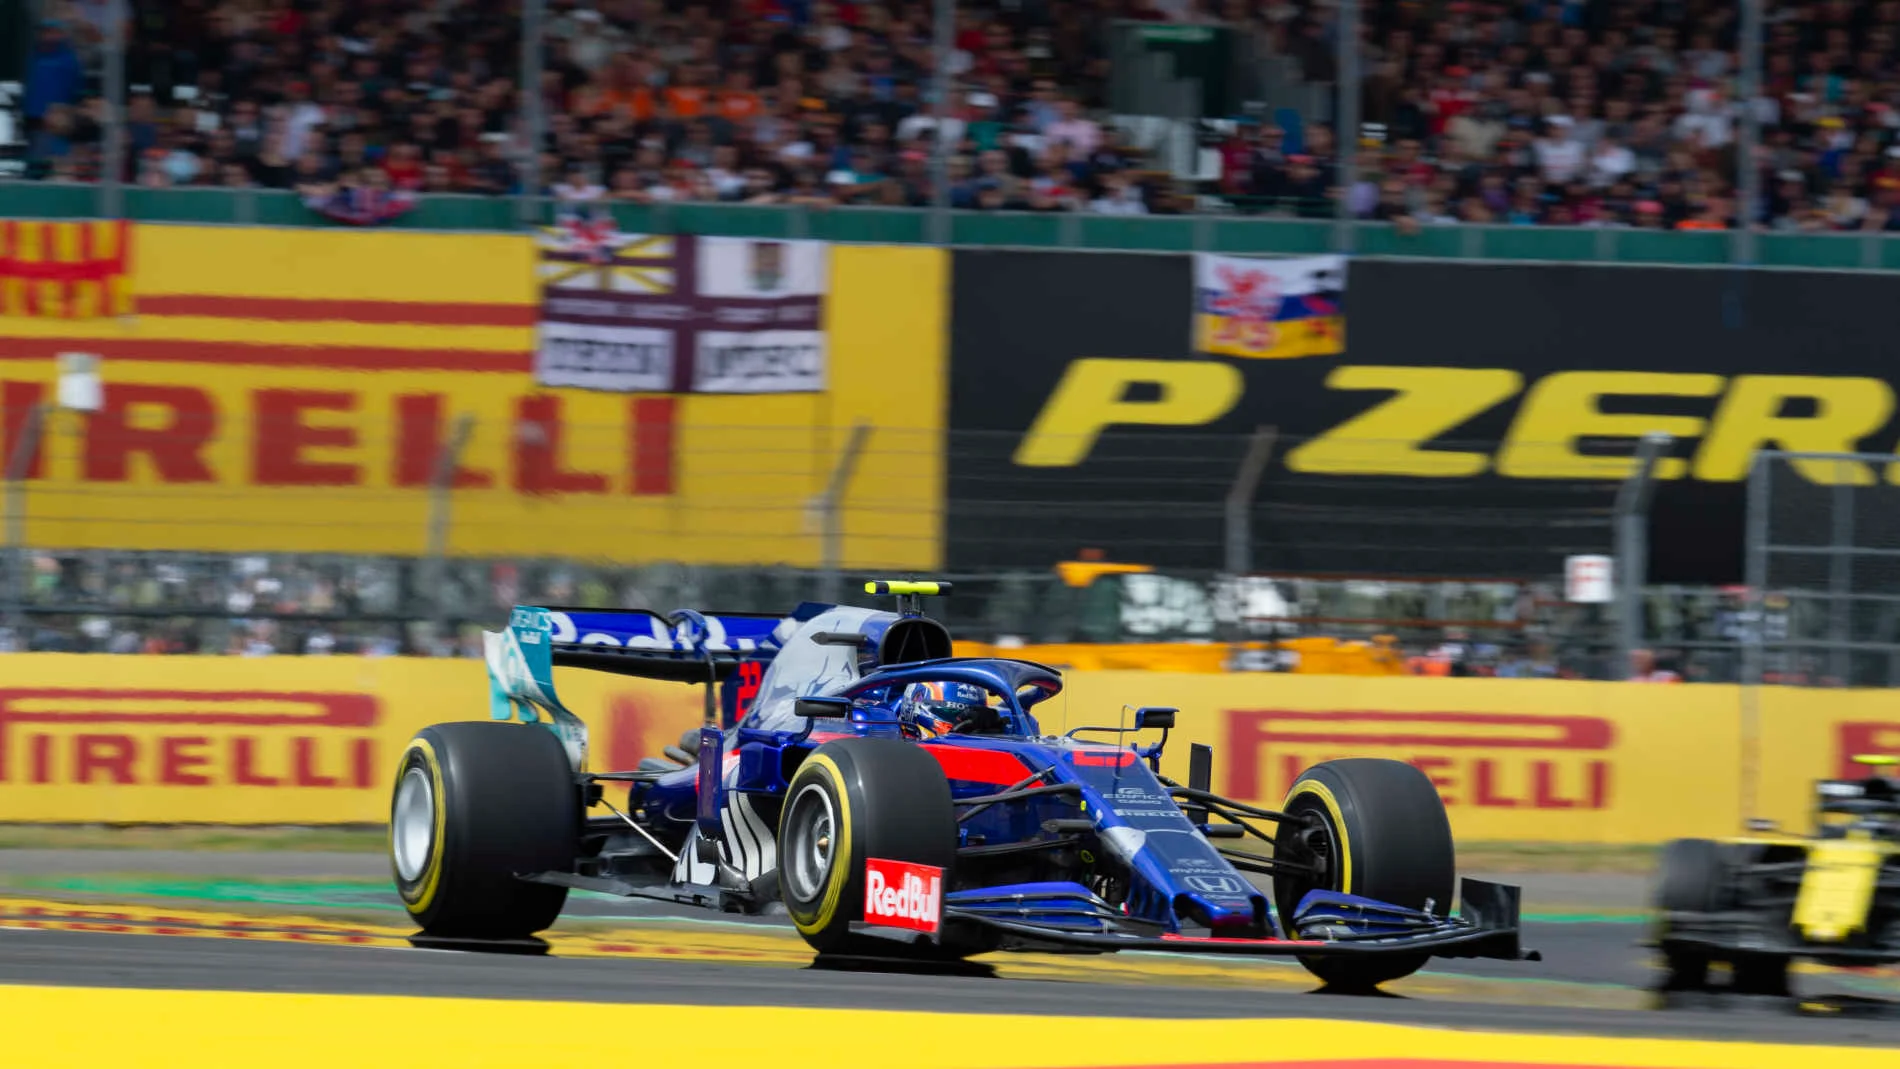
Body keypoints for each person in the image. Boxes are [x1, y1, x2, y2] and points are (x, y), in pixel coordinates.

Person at [899, 680, 998, 738]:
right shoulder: (889, 737)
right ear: (914, 702)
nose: (960, 722)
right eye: (949, 713)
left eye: (969, 718)